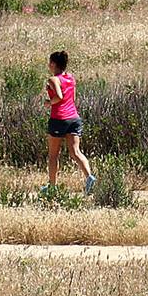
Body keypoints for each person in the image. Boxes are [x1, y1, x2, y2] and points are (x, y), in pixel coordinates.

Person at [44, 50, 95, 195]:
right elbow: (72, 97)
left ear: (53, 64)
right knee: (76, 152)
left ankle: (52, 186)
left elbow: (59, 97)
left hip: (59, 118)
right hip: (73, 118)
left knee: (53, 155)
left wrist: (49, 102)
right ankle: (89, 177)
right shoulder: (71, 78)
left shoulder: (53, 80)